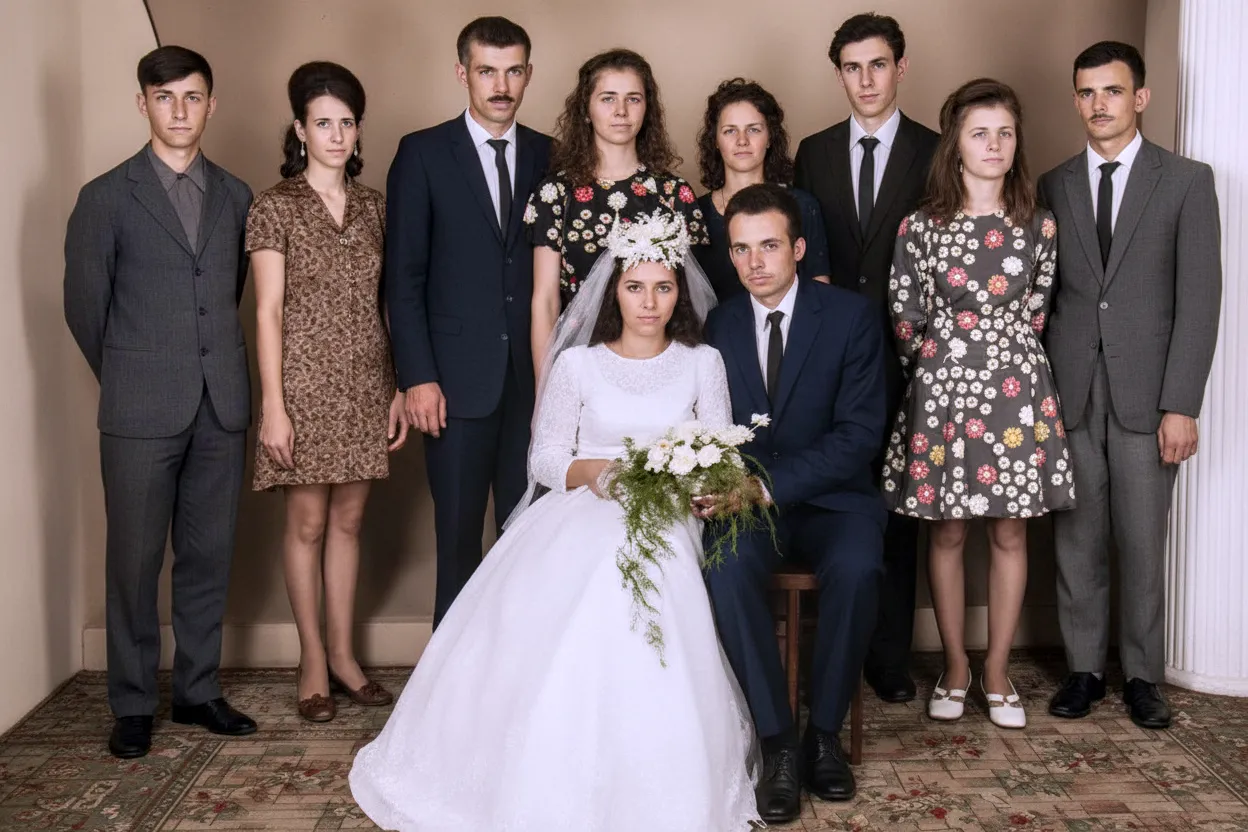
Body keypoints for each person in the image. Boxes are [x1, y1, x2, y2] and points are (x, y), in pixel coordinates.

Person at [349, 212, 760, 831]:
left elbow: (720, 451)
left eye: (663, 287)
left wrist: (683, 481)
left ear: (680, 291)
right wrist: (596, 473)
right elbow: (545, 458)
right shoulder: (578, 365)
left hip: (668, 510)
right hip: (587, 502)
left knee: (642, 565)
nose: (649, 302)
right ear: (613, 290)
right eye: (635, 287)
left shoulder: (703, 362)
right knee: (586, 571)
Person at [63, 45, 256, 759]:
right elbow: (86, 310)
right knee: (134, 561)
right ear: (142, 103)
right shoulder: (105, 197)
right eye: (165, 97)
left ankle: (198, 691)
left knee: (208, 554)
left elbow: (229, 292)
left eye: (193, 97)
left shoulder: (237, 196)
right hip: (138, 408)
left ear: (211, 105)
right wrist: (132, 373)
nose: (180, 110)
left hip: (221, 405)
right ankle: (134, 702)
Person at [1039, 41, 1221, 730]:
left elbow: (1199, 301)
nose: (1099, 104)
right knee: (1077, 540)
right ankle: (1084, 670)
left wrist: (1182, 404)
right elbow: (1046, 296)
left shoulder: (1186, 181)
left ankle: (1144, 675)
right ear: (1076, 100)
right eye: (1087, 92)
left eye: (1112, 91)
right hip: (1073, 391)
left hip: (1150, 397)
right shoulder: (1054, 183)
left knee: (1143, 543)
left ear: (1139, 98)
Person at [884, 78, 1075, 730]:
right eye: (979, 133)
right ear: (956, 145)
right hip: (941, 389)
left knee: (1010, 530)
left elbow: (1038, 310)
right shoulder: (921, 226)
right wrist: (942, 373)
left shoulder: (1040, 225)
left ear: (1016, 143)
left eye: (1005, 133)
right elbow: (905, 317)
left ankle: (996, 670)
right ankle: (955, 666)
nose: (994, 145)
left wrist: (1000, 361)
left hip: (1016, 391)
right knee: (947, 529)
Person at [704, 183, 888, 820]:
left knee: (859, 569)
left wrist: (768, 485)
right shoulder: (720, 323)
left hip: (836, 502)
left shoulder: (850, 316)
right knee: (724, 570)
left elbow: (859, 436)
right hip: (749, 509)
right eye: (741, 249)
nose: (755, 262)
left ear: (799, 249)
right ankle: (778, 739)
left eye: (769, 246)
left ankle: (825, 735)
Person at [247, 62, 406, 722]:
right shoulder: (274, 206)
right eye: (323, 123)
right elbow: (266, 311)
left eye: (346, 123)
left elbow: (389, 303)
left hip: (366, 382)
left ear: (358, 130)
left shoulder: (375, 207)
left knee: (348, 522)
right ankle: (311, 658)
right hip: (302, 387)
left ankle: (344, 655)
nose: (336, 135)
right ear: (300, 130)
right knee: (308, 523)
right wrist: (273, 407)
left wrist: (396, 385)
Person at [386, 17, 551, 627]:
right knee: (457, 539)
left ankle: (518, 668)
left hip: (535, 382)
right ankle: (451, 678)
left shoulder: (552, 155)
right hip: (452, 385)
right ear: (463, 73)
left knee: (528, 537)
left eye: (513, 72)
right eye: (487, 71)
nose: (501, 86)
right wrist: (417, 377)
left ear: (528, 74)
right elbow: (403, 278)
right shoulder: (423, 153)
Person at [794, 13, 940, 704]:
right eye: (852, 68)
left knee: (898, 509)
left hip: (912, 360)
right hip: (831, 358)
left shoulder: (935, 150)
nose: (866, 79)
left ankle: (888, 657)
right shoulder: (814, 152)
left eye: (878, 64)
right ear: (839, 75)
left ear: (900, 68)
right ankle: (830, 648)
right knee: (835, 495)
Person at [525, 48, 707, 370]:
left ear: (647, 108)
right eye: (608, 98)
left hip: (659, 363)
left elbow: (691, 299)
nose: (621, 111)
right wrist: (545, 385)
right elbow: (546, 300)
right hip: (579, 364)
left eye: (633, 99)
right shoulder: (555, 194)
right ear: (586, 109)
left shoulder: (673, 193)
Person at [693, 78, 830, 300]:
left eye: (754, 130)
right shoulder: (695, 214)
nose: (742, 141)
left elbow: (820, 293)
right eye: (730, 131)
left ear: (769, 138)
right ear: (715, 140)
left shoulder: (802, 206)